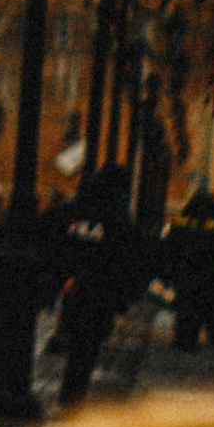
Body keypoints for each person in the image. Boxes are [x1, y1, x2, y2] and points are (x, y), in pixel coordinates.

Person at [53, 156, 154, 408]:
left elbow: (59, 240)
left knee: (77, 340)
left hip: (75, 286)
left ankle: (70, 392)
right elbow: (128, 255)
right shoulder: (117, 216)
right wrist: (125, 294)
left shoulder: (78, 208)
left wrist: (64, 275)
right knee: (88, 344)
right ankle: (74, 393)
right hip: (100, 289)